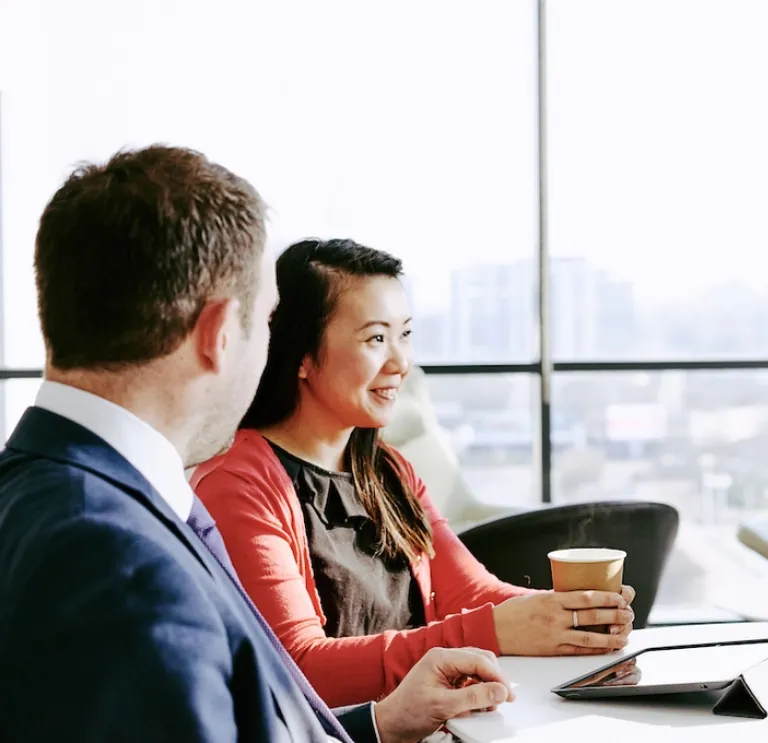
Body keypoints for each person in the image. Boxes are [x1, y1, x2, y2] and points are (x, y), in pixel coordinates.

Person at [0, 147, 514, 743]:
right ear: (220, 334)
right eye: (266, 323)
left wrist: (376, 727)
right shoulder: (119, 559)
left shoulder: (54, 492)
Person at [192, 238, 637, 708]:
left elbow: (469, 592)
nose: (401, 363)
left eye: (404, 335)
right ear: (302, 353)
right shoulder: (238, 482)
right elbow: (297, 669)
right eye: (375, 339)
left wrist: (563, 615)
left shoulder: (388, 469)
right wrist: (494, 630)